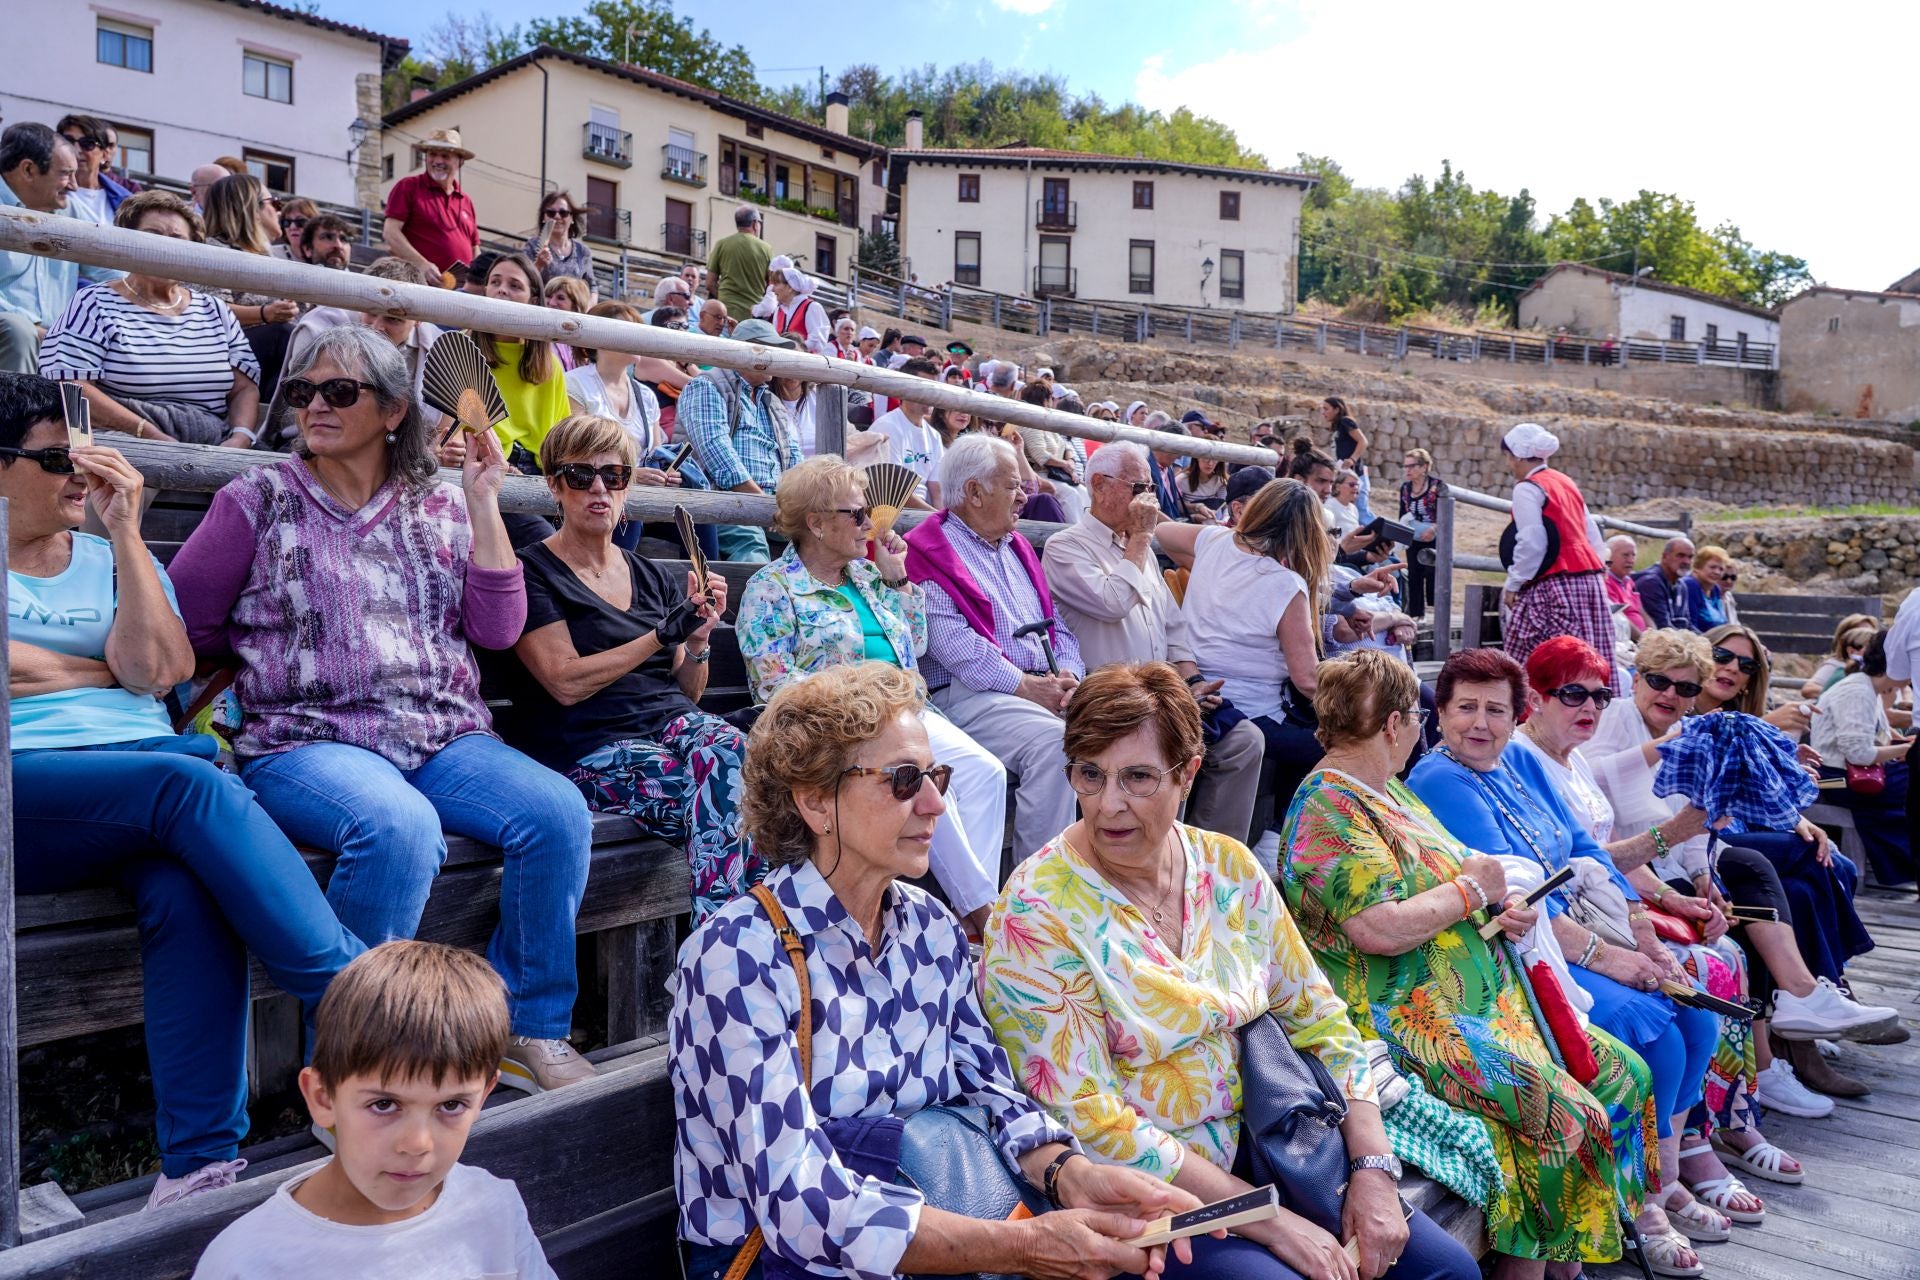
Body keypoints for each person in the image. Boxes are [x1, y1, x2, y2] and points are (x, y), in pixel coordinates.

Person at [170, 326, 597, 1095]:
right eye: (302, 392)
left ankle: (527, 1028)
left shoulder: (441, 501)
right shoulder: (256, 499)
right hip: (308, 738)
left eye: (340, 391)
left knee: (557, 811)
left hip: (442, 733)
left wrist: (484, 504)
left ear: (395, 409)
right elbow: (187, 622)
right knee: (397, 827)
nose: (316, 407)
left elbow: (498, 630)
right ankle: (353, 1064)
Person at [671, 662, 1202, 1280]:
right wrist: (1026, 1248)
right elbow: (800, 1203)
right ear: (816, 802)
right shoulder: (737, 955)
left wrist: (1071, 1173)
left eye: (935, 775)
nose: (936, 802)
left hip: (934, 1226)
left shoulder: (930, 926)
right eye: (903, 780)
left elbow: (991, 1090)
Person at [983, 663, 1479, 1280]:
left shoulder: (1229, 867)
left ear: (1188, 774)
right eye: (1090, 774)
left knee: (1447, 1271)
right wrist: (1266, 1220)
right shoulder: (1035, 910)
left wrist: (1374, 1172)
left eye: (1138, 777)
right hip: (1158, 1195)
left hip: (1285, 1144)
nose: (1109, 803)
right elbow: (1091, 1117)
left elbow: (1323, 1021)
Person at [0, 372, 361, 1211]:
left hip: (134, 783)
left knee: (184, 887)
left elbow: (158, 673)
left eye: (87, 459)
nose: (77, 477)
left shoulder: (106, 556)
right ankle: (365, 999)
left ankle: (197, 1166)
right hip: (27, 789)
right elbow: (110, 677)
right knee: (187, 778)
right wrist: (100, 672)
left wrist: (125, 536)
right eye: (56, 459)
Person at [1280, 648, 1655, 1279]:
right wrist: (1472, 894)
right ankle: (1544, 1269)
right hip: (1408, 1025)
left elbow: (1462, 874)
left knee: (1623, 1075)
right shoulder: (1329, 806)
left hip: (1478, 1007)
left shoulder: (1388, 792)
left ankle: (1574, 1258)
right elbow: (1377, 927)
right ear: (1398, 724)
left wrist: (1496, 908)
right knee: (1567, 1118)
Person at [1406, 648, 1741, 1256]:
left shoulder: (1519, 763)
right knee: (1649, 1023)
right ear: (1441, 715)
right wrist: (1611, 958)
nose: (1480, 724)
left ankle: (1662, 1173)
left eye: (1495, 711)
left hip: (1586, 925)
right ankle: (1634, 1202)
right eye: (1466, 709)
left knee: (1696, 1007)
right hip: (1518, 945)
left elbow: (1590, 850)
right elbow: (1511, 893)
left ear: (1516, 717)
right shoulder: (1440, 778)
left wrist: (1641, 930)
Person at [1513, 637, 1802, 1228]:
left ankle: (1701, 1139)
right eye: (1572, 693)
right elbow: (1572, 867)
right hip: (1568, 925)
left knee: (1714, 981)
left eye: (1598, 693)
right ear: (1535, 698)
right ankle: (1664, 1173)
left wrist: (1669, 901)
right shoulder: (1531, 758)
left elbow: (1600, 857)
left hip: (1611, 910)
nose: (1588, 705)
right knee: (1687, 996)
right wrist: (1679, 835)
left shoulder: (1578, 759)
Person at [1582, 628, 1897, 1114]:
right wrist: (1676, 742)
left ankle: (1802, 1003)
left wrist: (1707, 877)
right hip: (1632, 873)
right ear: (1637, 679)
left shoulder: (1691, 733)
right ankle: (1778, 1048)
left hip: (1672, 861)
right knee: (1767, 874)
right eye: (1659, 681)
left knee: (1787, 876)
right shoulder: (1621, 718)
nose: (1670, 694)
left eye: (1686, 688)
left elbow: (1698, 818)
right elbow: (1596, 775)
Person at [494, 413, 749, 925]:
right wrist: (660, 635)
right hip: (587, 744)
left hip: (664, 725)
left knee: (743, 758)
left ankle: (730, 947)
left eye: (614, 476)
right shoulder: (531, 571)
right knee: (720, 804)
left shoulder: (650, 573)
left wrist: (697, 640)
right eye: (579, 475)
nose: (598, 488)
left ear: (628, 487)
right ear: (554, 487)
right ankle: (737, 948)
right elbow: (564, 682)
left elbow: (688, 692)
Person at [735, 456, 1008, 934]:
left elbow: (917, 645)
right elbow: (771, 681)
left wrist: (897, 577)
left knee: (985, 773)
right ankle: (981, 917)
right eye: (856, 515)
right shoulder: (773, 588)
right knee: (928, 783)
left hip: (905, 711)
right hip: (841, 726)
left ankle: (966, 912)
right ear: (816, 524)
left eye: (868, 513)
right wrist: (853, 701)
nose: (869, 523)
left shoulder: (867, 578)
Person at [191, 942, 556, 1279]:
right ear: (322, 1098)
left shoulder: (493, 1207)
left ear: (482, 1097)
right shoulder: (248, 1264)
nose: (417, 1144)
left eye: (451, 1105)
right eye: (384, 1104)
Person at [1041, 441, 1265, 846]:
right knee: (1167, 751)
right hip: (1109, 698)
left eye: (1151, 488)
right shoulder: (1066, 547)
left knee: (1244, 741)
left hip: (1162, 691)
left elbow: (1173, 628)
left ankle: (1210, 857)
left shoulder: (1137, 548)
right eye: (1138, 487)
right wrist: (1141, 538)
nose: (1148, 499)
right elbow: (1113, 602)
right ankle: (1162, 852)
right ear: (1098, 485)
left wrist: (1193, 680)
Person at [906, 433, 1083, 866]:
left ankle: (1106, 872)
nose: (1026, 494)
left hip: (1034, 688)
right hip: (969, 695)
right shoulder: (929, 549)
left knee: (1126, 727)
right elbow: (955, 647)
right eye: (1013, 485)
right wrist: (1027, 686)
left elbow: (1057, 625)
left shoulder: (1016, 546)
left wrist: (1070, 677)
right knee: (1055, 744)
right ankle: (1038, 894)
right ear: (974, 493)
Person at [1159, 477, 1327, 868]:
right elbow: (1307, 679)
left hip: (1199, 687)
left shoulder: (1213, 543)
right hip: (1251, 710)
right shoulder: (1285, 584)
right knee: (1326, 744)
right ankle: (1274, 839)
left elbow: (1164, 532)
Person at [40, 191, 260, 447]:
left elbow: (245, 387)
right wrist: (150, 435)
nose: (165, 247)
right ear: (128, 242)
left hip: (212, 440)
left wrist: (241, 437)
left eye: (177, 238)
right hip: (122, 438)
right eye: (153, 236)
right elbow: (69, 385)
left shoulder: (215, 310)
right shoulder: (94, 302)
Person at [1497, 423, 1621, 694]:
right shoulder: (1565, 482)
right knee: (1591, 653)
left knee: (1547, 659)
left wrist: (1515, 583)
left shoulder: (1528, 488)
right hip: (1588, 584)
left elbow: (1532, 541)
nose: (1509, 464)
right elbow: (1591, 534)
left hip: (1555, 584)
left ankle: (1538, 715)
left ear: (1517, 456)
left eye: (1508, 457)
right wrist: (1597, 571)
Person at [679, 317, 804, 561]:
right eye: (769, 350)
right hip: (725, 500)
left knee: (828, 538)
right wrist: (765, 505)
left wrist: (796, 504)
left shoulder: (772, 401)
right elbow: (718, 455)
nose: (774, 358)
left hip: (776, 506)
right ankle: (758, 599)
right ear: (745, 352)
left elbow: (796, 461)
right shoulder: (706, 385)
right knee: (752, 547)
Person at [1812, 630, 1916, 888]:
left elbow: (1876, 735)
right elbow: (1858, 753)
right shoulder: (1857, 692)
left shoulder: (1868, 687)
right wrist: (1905, 751)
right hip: (1838, 779)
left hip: (1852, 773)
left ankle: (1906, 864)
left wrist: (1903, 745)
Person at [0, 124, 96, 373]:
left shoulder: (69, 207)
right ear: (28, 170)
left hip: (53, 337)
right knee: (18, 331)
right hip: (16, 333)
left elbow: (114, 267)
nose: (75, 186)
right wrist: (36, 330)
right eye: (66, 174)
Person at [473, 254, 568, 473]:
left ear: (533, 300)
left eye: (514, 286)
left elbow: (561, 435)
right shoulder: (461, 346)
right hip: (482, 461)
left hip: (541, 469)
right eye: (495, 282)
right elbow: (451, 430)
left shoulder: (550, 363)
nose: (502, 289)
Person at [563, 300, 665, 454]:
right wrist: (633, 472)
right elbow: (577, 453)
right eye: (627, 331)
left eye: (638, 331)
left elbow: (656, 455)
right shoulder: (574, 383)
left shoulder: (646, 395)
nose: (637, 339)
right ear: (597, 339)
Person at [383, 129, 480, 279]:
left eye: (445, 156)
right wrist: (421, 265)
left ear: (460, 162)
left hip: (460, 291)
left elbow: (474, 249)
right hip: (418, 284)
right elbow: (390, 233)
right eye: (432, 154)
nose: (438, 161)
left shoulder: (466, 200)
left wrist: (477, 280)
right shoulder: (408, 187)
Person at [867, 356, 945, 506]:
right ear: (904, 390)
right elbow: (896, 489)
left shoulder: (934, 435)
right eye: (923, 389)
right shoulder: (888, 427)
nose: (929, 396)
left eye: (933, 389)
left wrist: (941, 520)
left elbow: (937, 490)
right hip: (893, 510)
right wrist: (934, 517)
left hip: (921, 511)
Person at [55, 113, 130, 227]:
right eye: (68, 141)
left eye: (87, 143)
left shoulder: (126, 201)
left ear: (104, 155)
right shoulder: (46, 192)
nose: (77, 149)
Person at [1396, 448, 1444, 620]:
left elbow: (1446, 514)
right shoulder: (1405, 488)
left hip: (1434, 537)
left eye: (1412, 466)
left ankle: (1436, 611)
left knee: (1433, 575)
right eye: (1405, 466)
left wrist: (1434, 529)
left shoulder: (1437, 486)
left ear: (1424, 467)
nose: (1407, 470)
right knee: (1414, 574)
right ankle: (1417, 614)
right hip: (1414, 537)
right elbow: (1402, 513)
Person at [708, 204, 772, 322]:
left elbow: (710, 283)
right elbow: (772, 285)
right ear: (754, 223)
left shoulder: (721, 244)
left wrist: (723, 299)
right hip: (753, 315)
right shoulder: (766, 249)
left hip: (725, 314)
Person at [1800, 614, 1878, 699]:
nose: (1869, 638)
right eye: (1861, 633)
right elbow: (1809, 689)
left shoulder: (1870, 668)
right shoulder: (1836, 665)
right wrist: (1844, 694)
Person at [525, 190, 593, 282]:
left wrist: (592, 296)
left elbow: (592, 286)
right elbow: (522, 279)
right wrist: (538, 265)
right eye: (551, 213)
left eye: (563, 213)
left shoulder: (582, 251)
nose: (557, 216)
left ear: (572, 218)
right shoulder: (532, 246)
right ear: (543, 218)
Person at [1635, 538, 1697, 633]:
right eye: (1680, 555)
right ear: (1665, 557)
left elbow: (1687, 624)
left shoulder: (1681, 585)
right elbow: (1663, 628)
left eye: (1690, 557)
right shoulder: (1651, 583)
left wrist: (1707, 640)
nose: (1686, 561)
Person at [770, 262, 830, 356]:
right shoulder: (778, 311)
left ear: (790, 287)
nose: (772, 289)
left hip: (805, 364)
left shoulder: (811, 307)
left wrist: (792, 348)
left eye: (776, 284)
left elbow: (818, 343)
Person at [542, 273, 593, 371]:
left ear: (575, 306)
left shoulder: (585, 343)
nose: (551, 302)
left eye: (560, 298)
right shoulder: (535, 335)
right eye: (548, 296)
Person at [1603, 536, 1648, 638]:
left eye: (1633, 555)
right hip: (1626, 642)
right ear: (1609, 557)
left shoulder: (1628, 581)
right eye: (1625, 555)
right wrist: (1643, 641)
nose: (1631, 560)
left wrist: (1655, 635)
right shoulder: (1606, 582)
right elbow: (1620, 618)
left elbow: (1641, 611)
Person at [1684, 546, 1736, 632]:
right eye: (1712, 567)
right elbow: (1690, 626)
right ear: (1699, 566)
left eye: (1721, 569)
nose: (1717, 572)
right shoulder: (1690, 585)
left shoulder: (1715, 589)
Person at [1177, 446, 1229, 518]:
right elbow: (1176, 506)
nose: (1210, 463)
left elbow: (1225, 505)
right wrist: (1196, 510)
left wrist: (1225, 519)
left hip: (1215, 522)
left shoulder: (1220, 481)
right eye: (1206, 457)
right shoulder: (1181, 479)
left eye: (1215, 459)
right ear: (1197, 457)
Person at [1324, 396, 1366, 468]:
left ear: (1336, 410)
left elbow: (1363, 441)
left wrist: (1352, 459)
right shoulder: (1337, 425)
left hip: (1352, 471)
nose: (1323, 412)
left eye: (1326, 409)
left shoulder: (1346, 421)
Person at [274, 196, 318, 261]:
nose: (292, 227)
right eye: (287, 222)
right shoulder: (271, 255)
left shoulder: (323, 256)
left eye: (301, 222)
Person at [1324, 467, 1363, 537]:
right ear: (1338, 487)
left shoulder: (1354, 509)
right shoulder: (1329, 507)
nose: (1356, 488)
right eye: (1352, 484)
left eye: (1357, 485)